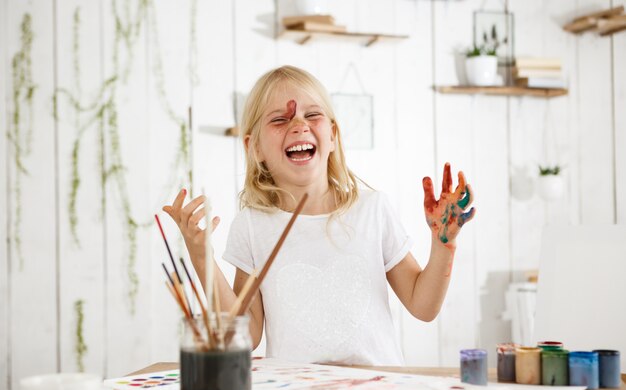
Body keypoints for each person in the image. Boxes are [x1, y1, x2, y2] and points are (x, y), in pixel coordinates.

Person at [163, 65, 475, 366]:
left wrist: (443, 243)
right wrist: (202, 257)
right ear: (254, 146)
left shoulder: (372, 209)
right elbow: (247, 333)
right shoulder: (252, 225)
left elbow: (423, 306)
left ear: (333, 135)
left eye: (312, 114)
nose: (299, 125)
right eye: (280, 119)